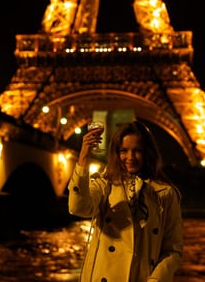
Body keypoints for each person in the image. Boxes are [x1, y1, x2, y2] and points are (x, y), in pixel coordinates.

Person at [68, 120, 183, 282]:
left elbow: (173, 249)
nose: (130, 157)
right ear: (116, 153)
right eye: (124, 151)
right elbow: (78, 208)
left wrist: (156, 279)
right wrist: (83, 158)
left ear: (148, 152)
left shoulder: (165, 193)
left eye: (137, 151)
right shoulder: (104, 184)